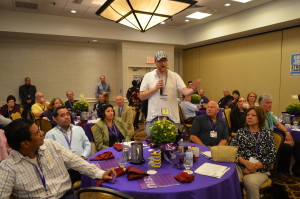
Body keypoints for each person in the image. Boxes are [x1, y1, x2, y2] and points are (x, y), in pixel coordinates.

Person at [0, 118, 115, 198]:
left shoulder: (51, 145)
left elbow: (76, 161)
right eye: (37, 133)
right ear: (25, 143)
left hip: (65, 195)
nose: (43, 132)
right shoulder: (8, 168)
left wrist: (99, 173)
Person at [139, 51, 201, 136]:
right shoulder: (148, 76)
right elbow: (141, 96)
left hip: (171, 118)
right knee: (152, 146)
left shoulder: (175, 76)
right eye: (160, 61)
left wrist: (192, 89)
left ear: (167, 61)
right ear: (155, 62)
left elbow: (185, 91)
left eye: (164, 60)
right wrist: (155, 88)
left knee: (171, 146)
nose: (163, 63)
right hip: (153, 118)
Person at [231, 106, 276, 199]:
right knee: (229, 178)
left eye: (253, 115)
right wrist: (245, 163)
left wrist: (253, 167)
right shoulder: (241, 132)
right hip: (240, 166)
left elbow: (272, 155)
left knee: (250, 182)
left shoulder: (267, 134)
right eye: (247, 115)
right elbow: (232, 150)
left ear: (260, 118)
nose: (249, 117)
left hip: (260, 170)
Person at [45, 106, 91, 183]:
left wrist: (83, 156)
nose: (66, 117)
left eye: (67, 114)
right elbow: (50, 157)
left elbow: (87, 144)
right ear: (55, 119)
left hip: (83, 164)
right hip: (66, 170)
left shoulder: (78, 129)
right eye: (62, 115)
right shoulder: (50, 135)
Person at [259, 94, 300, 176]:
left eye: (271, 102)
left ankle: (297, 168)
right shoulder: (258, 115)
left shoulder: (269, 114)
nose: (270, 105)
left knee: (297, 143)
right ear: (260, 104)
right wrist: (282, 141)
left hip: (272, 138)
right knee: (287, 146)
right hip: (264, 142)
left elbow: (278, 124)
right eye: (267, 102)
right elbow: (263, 134)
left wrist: (287, 132)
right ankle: (283, 171)